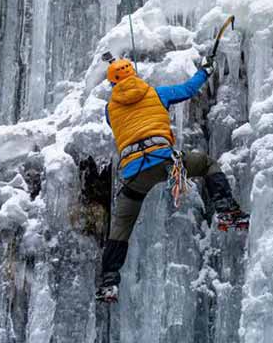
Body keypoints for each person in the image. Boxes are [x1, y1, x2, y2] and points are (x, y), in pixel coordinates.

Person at [96, 57, 248, 303]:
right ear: (134, 73)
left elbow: (120, 113)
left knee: (121, 226)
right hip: (165, 161)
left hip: (134, 174)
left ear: (112, 83)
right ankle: (226, 209)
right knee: (207, 164)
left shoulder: (109, 110)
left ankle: (109, 282)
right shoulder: (157, 93)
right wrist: (205, 71)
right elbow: (188, 89)